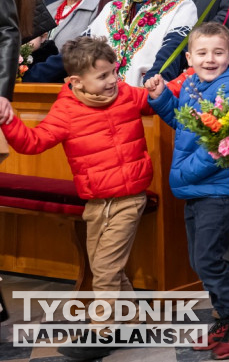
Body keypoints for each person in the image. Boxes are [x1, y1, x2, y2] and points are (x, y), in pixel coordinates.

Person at [0, 37, 155, 361]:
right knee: (107, 267)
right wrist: (10, 121)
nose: (113, 80)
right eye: (103, 76)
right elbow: (34, 142)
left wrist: (167, 87)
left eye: (114, 72)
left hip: (129, 198)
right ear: (76, 81)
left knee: (105, 268)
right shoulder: (66, 110)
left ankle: (101, 333)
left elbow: (155, 100)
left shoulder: (126, 93)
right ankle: (134, 322)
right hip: (96, 203)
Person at [145, 22, 229, 360]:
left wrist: (184, 173)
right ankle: (227, 316)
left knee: (208, 259)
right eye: (202, 53)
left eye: (218, 53)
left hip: (217, 189)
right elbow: (186, 125)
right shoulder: (194, 83)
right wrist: (162, 98)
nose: (210, 59)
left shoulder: (228, 87)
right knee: (203, 259)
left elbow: (223, 145)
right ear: (189, 58)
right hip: (197, 188)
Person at [88, 0, 198, 86]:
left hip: (149, 89)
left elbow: (174, 48)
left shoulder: (182, 5)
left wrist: (156, 78)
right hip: (105, 90)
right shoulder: (113, 7)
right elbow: (86, 43)